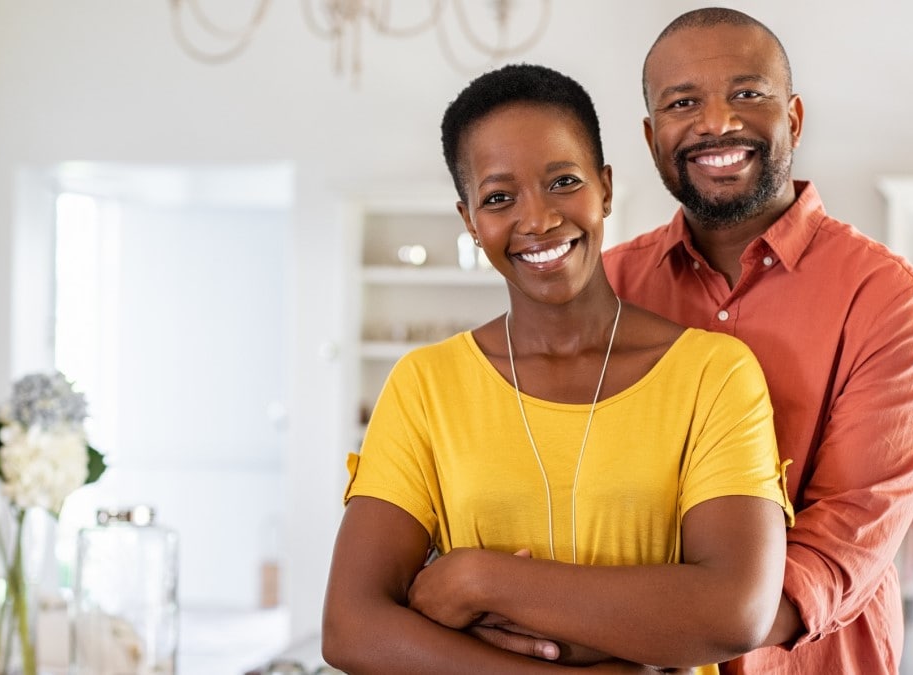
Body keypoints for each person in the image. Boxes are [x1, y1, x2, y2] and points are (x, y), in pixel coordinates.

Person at [321, 63, 794, 674]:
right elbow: (351, 626)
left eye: (563, 182)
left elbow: (733, 613)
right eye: (498, 198)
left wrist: (477, 579)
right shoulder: (426, 386)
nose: (538, 220)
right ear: (470, 221)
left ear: (605, 188)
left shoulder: (713, 374)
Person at [599, 8, 913, 674]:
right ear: (651, 138)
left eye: (747, 93)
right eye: (683, 103)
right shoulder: (606, 288)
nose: (716, 122)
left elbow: (842, 540)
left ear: (793, 117)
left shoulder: (889, 300)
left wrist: (674, 636)